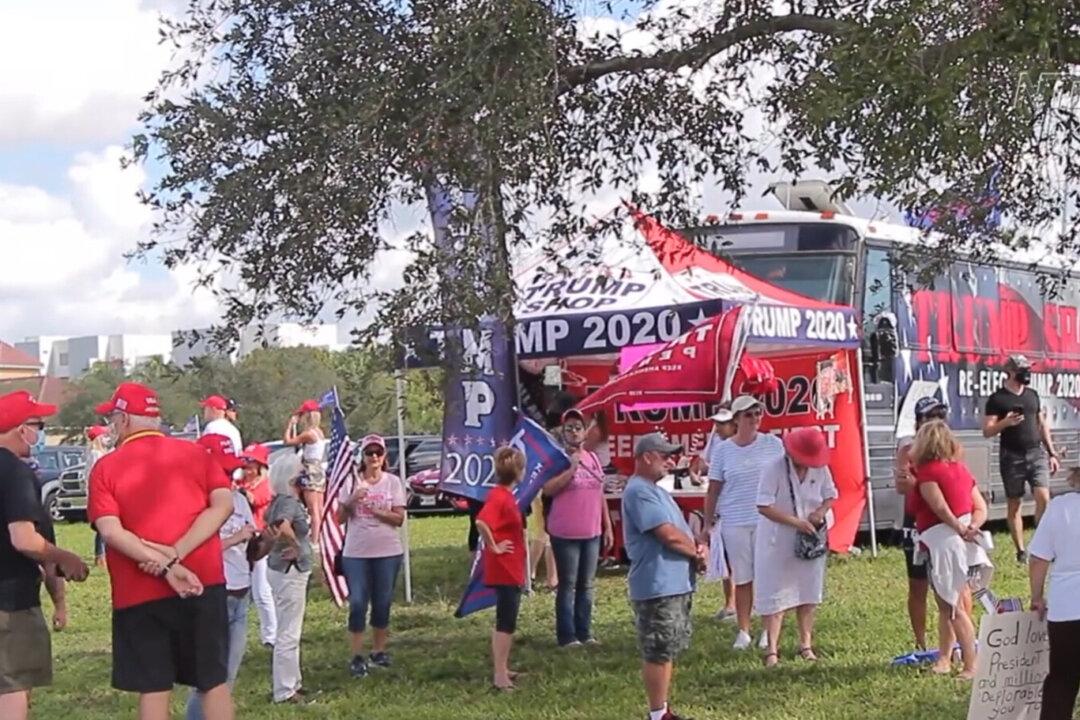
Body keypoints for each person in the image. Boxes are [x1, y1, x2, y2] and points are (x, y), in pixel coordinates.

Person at [88, 382, 235, 720]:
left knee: (154, 688)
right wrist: (177, 552)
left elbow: (111, 531)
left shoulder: (106, 468)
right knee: (212, 681)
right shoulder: (198, 454)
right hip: (204, 580)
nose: (111, 425)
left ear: (124, 420)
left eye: (112, 418)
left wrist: (161, 561)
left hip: (138, 593)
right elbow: (222, 506)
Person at [0, 391, 89, 720]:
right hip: (10, 602)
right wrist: (64, 556)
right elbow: (24, 539)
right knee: (12, 687)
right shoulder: (15, 473)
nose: (41, 432)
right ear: (21, 429)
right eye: (39, 424)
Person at [622, 433, 705, 720]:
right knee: (657, 650)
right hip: (657, 585)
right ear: (646, 457)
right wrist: (696, 552)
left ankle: (663, 709)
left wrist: (697, 550)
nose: (671, 461)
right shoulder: (638, 491)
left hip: (671, 583)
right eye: (665, 455)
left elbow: (679, 532)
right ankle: (657, 714)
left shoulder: (656, 491)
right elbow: (668, 535)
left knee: (666, 647)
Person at [910, 420, 989, 679]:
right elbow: (980, 507)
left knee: (952, 606)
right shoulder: (962, 470)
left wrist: (957, 527)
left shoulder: (927, 473)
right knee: (948, 604)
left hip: (944, 542)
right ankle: (945, 658)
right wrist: (971, 527)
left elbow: (939, 507)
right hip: (964, 541)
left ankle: (971, 664)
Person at [704, 395, 784, 650]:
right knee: (743, 576)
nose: (754, 419)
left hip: (767, 519)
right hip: (734, 520)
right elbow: (713, 489)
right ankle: (744, 630)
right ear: (736, 419)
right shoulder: (723, 450)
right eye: (748, 415)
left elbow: (786, 480)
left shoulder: (773, 444)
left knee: (767, 575)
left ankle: (767, 629)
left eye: (758, 413)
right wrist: (707, 523)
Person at [754, 428, 837, 668]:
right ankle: (771, 650)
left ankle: (806, 644)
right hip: (777, 539)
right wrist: (796, 523)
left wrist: (820, 512)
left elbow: (830, 495)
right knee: (775, 594)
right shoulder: (773, 469)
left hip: (810, 539)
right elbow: (763, 505)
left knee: (808, 593)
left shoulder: (820, 468)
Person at [185, 435, 254, 720]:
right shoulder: (195, 502)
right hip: (213, 593)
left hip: (241, 591)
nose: (229, 476)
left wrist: (266, 543)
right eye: (223, 470)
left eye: (231, 470)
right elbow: (194, 548)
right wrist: (237, 537)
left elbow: (251, 547)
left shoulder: (238, 499)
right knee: (210, 679)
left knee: (228, 677)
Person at [336, 434, 407, 679]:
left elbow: (399, 518)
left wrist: (379, 512)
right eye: (369, 452)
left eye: (378, 452)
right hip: (356, 552)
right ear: (363, 457)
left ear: (384, 456)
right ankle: (356, 655)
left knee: (382, 602)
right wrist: (352, 500)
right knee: (357, 603)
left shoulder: (393, 483)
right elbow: (339, 519)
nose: (374, 457)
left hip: (387, 551)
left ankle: (378, 650)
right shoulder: (351, 482)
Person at [543, 408, 614, 647]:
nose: (574, 432)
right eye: (569, 428)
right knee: (568, 584)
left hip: (591, 531)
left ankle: (585, 632)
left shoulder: (593, 458)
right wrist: (571, 468)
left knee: (587, 584)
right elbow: (548, 489)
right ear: (563, 433)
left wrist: (607, 526)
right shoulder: (558, 459)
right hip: (565, 532)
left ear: (585, 432)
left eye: (578, 427)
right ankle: (567, 635)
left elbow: (599, 491)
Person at [983, 355, 1060, 562]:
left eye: (1028, 368)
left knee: (1044, 497)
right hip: (1011, 456)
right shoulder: (997, 399)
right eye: (1023, 369)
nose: (1027, 373)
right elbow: (987, 431)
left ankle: (1042, 543)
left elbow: (1042, 424)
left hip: (1036, 453)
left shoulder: (1032, 396)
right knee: (1014, 504)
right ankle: (1020, 551)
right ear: (1011, 372)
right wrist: (1005, 422)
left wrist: (1051, 453)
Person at [894, 396, 952, 653]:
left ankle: (952, 643)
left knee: (950, 585)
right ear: (918, 422)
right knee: (918, 584)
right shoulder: (909, 448)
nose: (936, 422)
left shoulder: (950, 447)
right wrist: (928, 486)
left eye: (940, 416)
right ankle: (921, 643)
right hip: (916, 520)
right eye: (930, 417)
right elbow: (901, 486)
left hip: (944, 519)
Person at [476, 446, 528, 692]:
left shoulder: (506, 495)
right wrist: (494, 546)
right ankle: (499, 674)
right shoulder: (499, 497)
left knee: (507, 619)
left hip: (512, 566)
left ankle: (503, 667)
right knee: (505, 621)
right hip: (505, 568)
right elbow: (482, 521)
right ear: (517, 471)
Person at [1029, 466, 1080, 720]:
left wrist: (1036, 596)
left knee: (1061, 679)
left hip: (1066, 608)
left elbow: (1039, 558)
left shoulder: (1060, 507)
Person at [263, 459, 314, 704]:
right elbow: (282, 525)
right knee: (288, 632)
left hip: (280, 570)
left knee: (290, 629)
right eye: (301, 472)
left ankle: (293, 682)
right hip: (289, 571)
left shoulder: (279, 501)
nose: (305, 475)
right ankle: (285, 690)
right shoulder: (289, 502)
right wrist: (294, 546)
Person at [691, 409, 737, 621]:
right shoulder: (716, 440)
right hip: (720, 507)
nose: (718, 427)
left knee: (739, 559)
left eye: (723, 424)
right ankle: (730, 604)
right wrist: (694, 471)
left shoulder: (741, 446)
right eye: (717, 423)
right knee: (724, 556)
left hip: (737, 508)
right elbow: (701, 461)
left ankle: (743, 604)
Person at [239, 443, 276, 648]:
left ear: (261, 466)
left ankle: (271, 635)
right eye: (245, 463)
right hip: (243, 542)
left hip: (261, 542)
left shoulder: (265, 485)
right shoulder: (241, 482)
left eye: (251, 464)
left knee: (262, 591)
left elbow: (254, 500)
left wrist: (237, 491)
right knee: (244, 590)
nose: (247, 468)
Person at [283, 400, 328, 549]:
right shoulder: (319, 432)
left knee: (313, 509)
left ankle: (314, 541)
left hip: (310, 469)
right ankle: (318, 537)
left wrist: (290, 424)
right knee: (319, 509)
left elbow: (288, 441)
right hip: (318, 469)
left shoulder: (309, 434)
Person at [86, 424, 111, 567]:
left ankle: (101, 554)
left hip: (98, 492)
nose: (106, 439)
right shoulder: (96, 454)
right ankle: (100, 555)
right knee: (102, 525)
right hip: (99, 493)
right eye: (103, 436)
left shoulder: (98, 452)